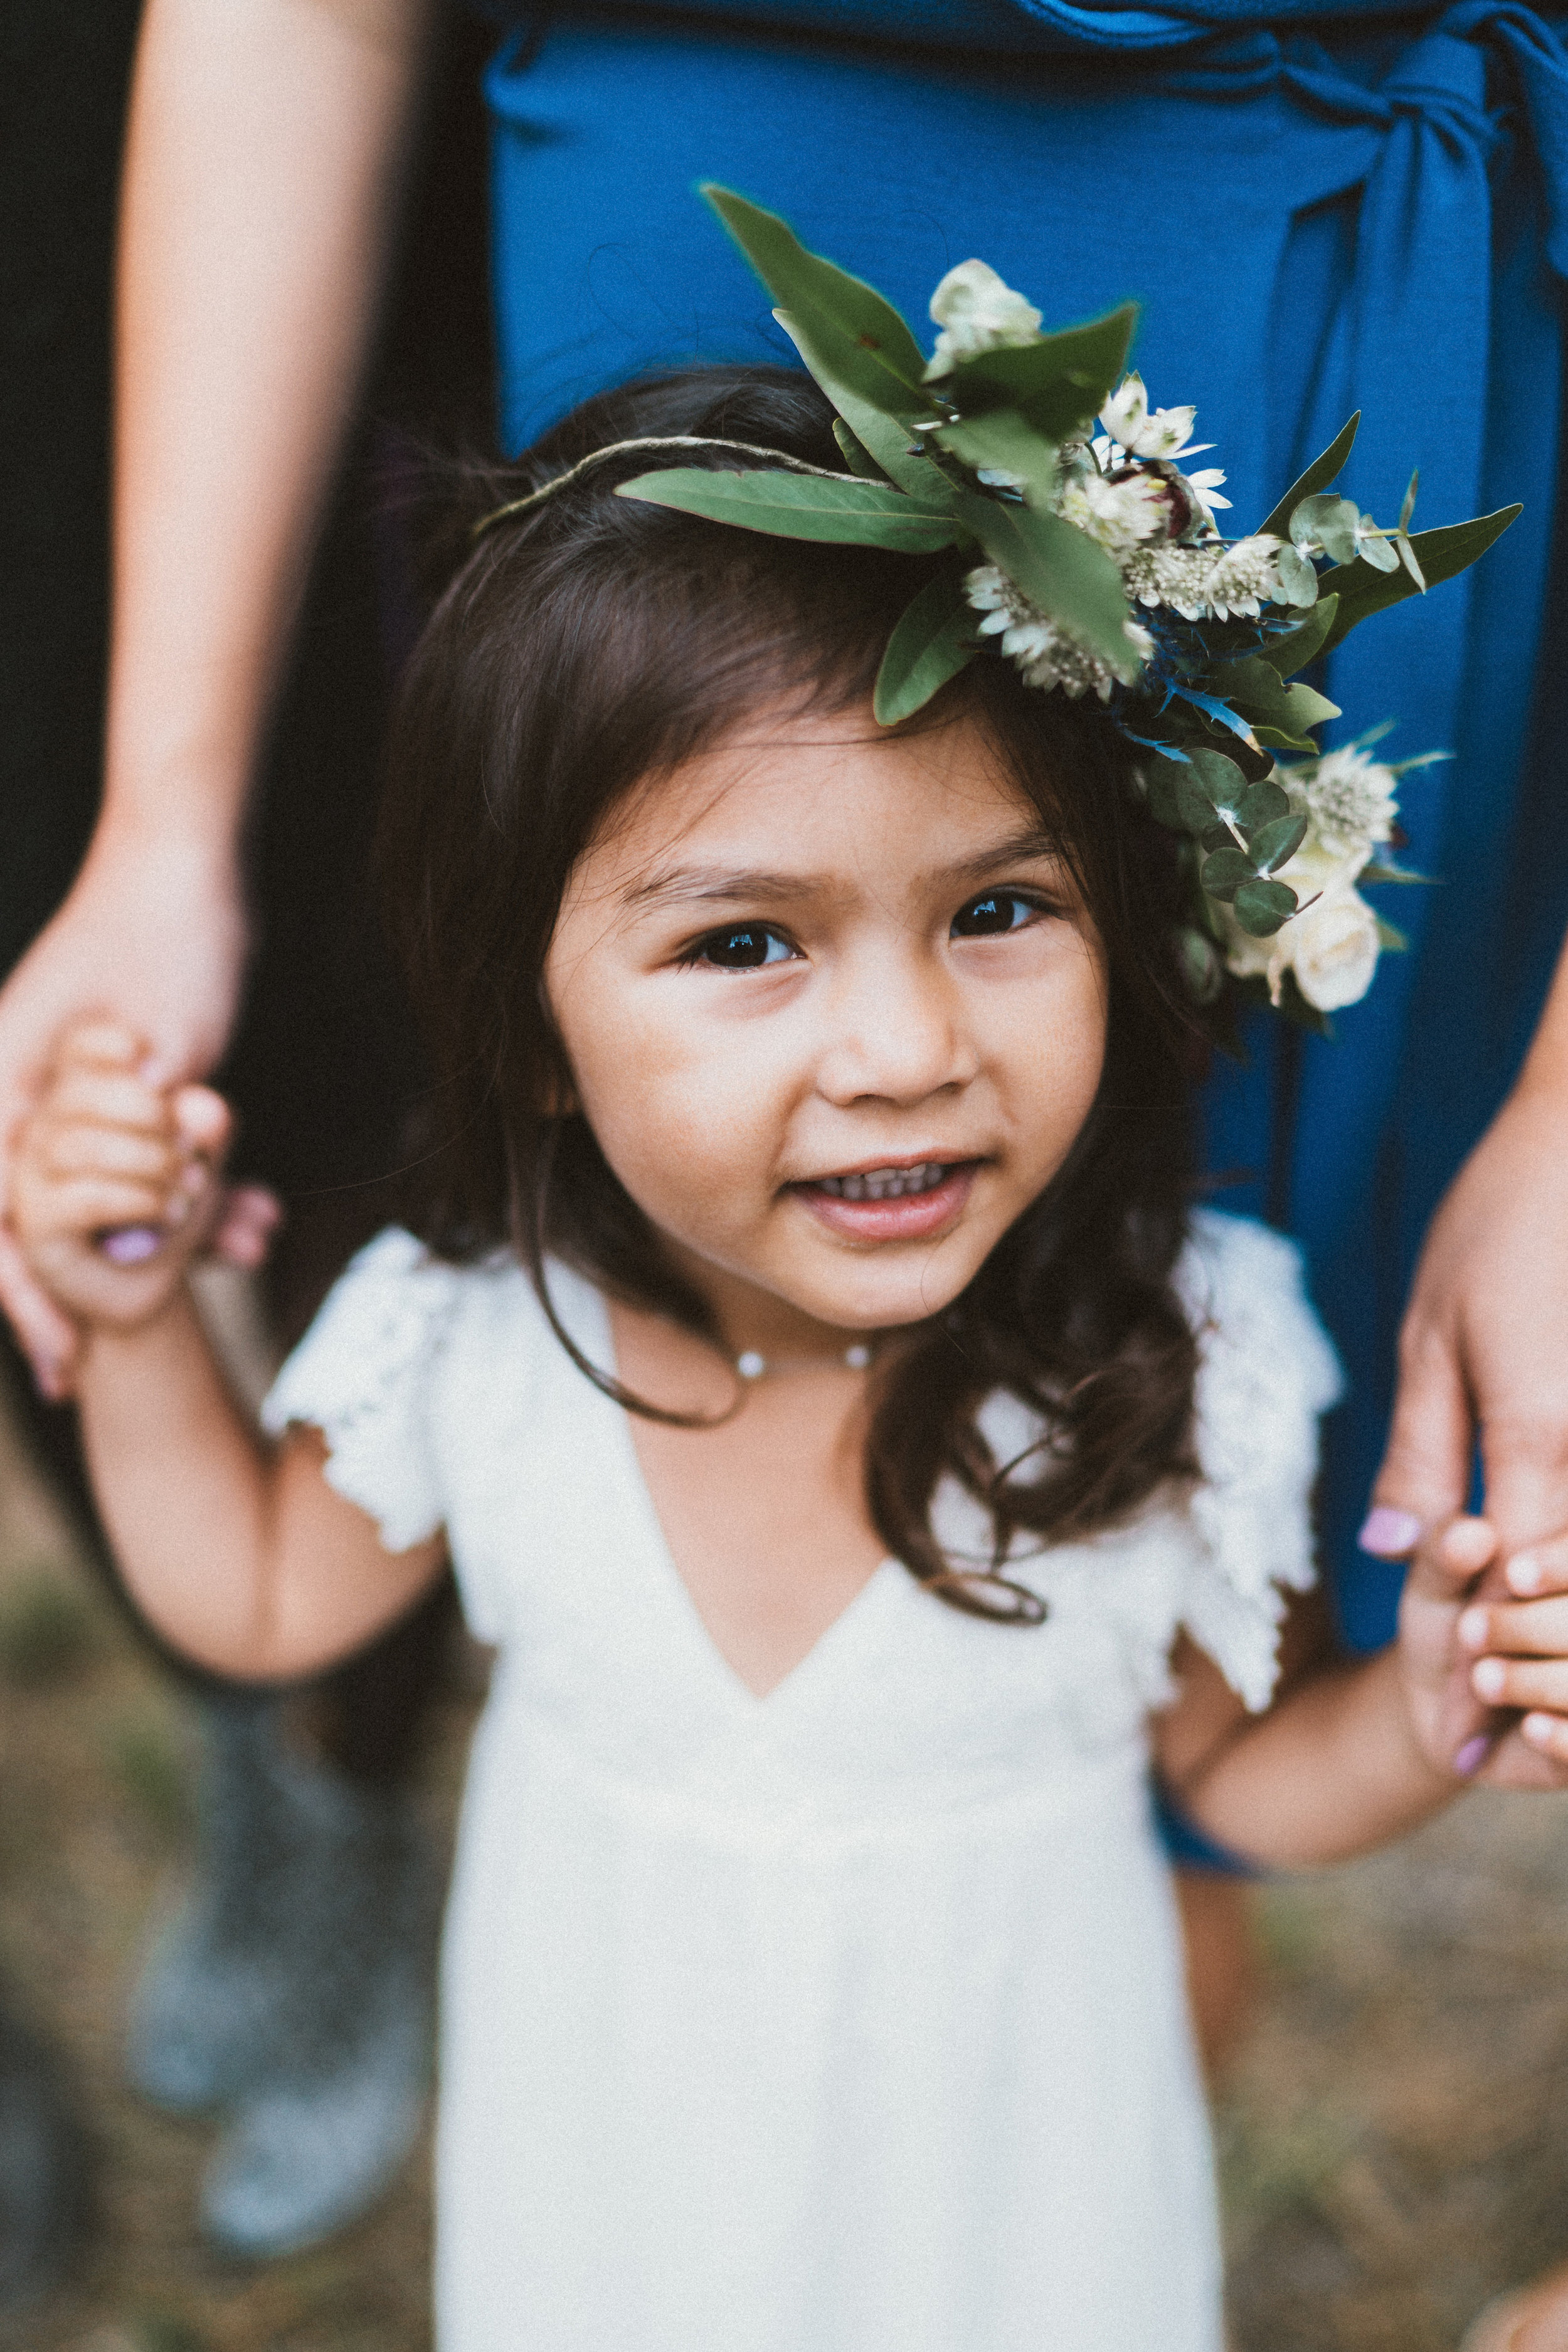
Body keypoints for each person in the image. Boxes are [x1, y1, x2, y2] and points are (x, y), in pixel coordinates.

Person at [12, 356, 1568, 2351]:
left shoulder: (1165, 1357)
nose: (904, 1052)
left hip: (1016, 2205)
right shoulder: (492, 1348)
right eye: (746, 944)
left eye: (997, 907)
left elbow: (1234, 1787)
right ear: (530, 1027)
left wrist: (1432, 1704)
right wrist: (137, 1324)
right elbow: (247, 1597)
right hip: (626, 2197)